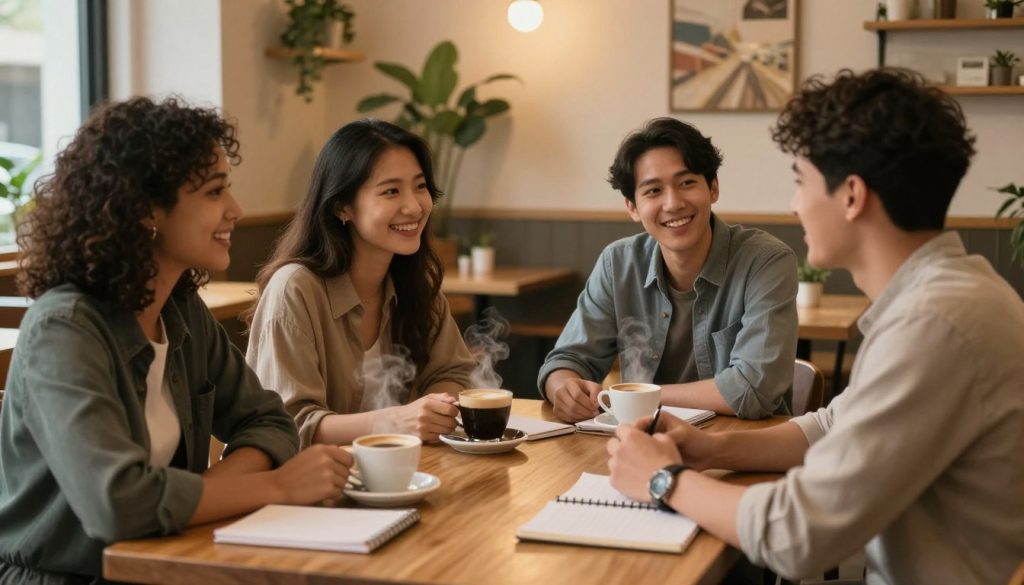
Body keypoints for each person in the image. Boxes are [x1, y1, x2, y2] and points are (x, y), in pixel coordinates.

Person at [606, 69, 1024, 584]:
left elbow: (797, 535)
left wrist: (662, 479)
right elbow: (831, 426)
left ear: (851, 196)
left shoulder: (935, 323)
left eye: (800, 180)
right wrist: (707, 448)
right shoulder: (946, 295)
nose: (794, 204)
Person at [0, 97, 353, 584]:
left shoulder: (180, 309)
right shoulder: (63, 330)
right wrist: (275, 486)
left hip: (169, 560)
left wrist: (196, 492)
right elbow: (117, 506)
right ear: (146, 209)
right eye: (214, 192)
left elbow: (269, 421)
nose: (237, 210)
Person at [539, 117, 798, 422]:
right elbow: (567, 359)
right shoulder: (618, 264)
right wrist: (563, 388)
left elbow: (754, 389)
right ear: (632, 206)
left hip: (743, 451)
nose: (673, 203)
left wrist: (638, 397)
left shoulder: (766, 261)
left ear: (713, 188)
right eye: (653, 191)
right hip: (639, 445)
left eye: (687, 183)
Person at [245, 119, 475, 447]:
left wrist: (437, 410)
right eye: (391, 191)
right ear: (342, 206)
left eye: (420, 186)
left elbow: (453, 372)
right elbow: (287, 424)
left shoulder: (415, 283)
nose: (414, 206)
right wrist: (395, 421)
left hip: (394, 475)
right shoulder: (295, 289)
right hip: (298, 486)